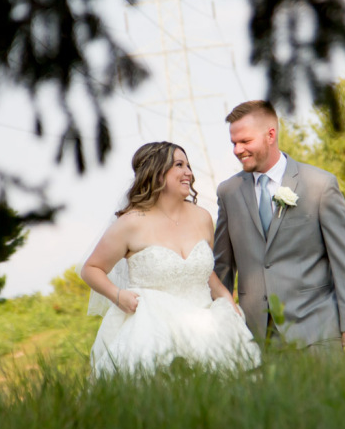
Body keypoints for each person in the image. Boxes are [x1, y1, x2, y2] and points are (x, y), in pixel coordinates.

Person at [81, 141, 262, 376]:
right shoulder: (130, 223)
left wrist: (230, 306)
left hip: (207, 327)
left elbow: (207, 276)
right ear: (156, 174)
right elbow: (91, 268)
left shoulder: (202, 217)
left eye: (188, 165)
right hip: (152, 328)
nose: (189, 172)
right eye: (179, 165)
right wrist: (118, 296)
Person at [213, 100, 345, 352]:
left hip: (317, 329)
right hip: (254, 336)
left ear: (270, 135)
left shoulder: (320, 184)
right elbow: (222, 267)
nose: (237, 150)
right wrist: (216, 323)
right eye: (234, 143)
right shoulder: (228, 192)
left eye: (245, 141)